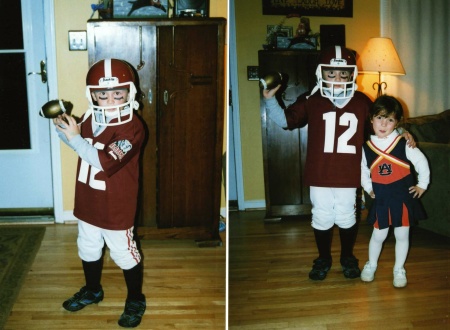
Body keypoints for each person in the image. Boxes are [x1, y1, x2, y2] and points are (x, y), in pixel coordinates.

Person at [262, 45, 415, 281]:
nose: (337, 78)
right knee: (322, 216)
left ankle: (347, 257)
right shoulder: (312, 98)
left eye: (343, 74)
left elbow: (382, 125)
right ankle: (323, 258)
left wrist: (402, 132)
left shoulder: (362, 101)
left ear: (351, 74)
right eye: (331, 73)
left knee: (346, 215)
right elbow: (286, 121)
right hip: (320, 171)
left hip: (348, 171)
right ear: (321, 73)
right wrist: (271, 100)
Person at [53, 58, 146, 327]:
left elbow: (103, 161)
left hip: (116, 204)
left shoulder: (132, 128)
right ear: (92, 94)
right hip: (88, 198)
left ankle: (135, 298)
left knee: (124, 252)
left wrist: (74, 138)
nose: (111, 101)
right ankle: (93, 290)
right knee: (88, 246)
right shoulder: (91, 117)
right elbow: (76, 143)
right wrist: (63, 128)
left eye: (118, 94)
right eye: (102, 95)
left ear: (130, 92)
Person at [360, 95, 429, 288]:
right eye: (380, 117)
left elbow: (421, 162)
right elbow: (363, 171)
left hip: (402, 198)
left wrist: (422, 184)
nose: (384, 123)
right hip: (381, 199)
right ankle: (371, 264)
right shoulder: (366, 148)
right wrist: (369, 187)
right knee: (378, 235)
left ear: (396, 122)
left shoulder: (403, 143)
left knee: (402, 235)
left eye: (390, 119)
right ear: (371, 119)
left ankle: (399, 268)